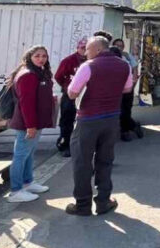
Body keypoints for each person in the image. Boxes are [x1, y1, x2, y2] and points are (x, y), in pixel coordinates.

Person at [66, 36, 133, 216]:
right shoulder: (124, 65)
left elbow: (72, 93)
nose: (86, 53)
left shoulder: (88, 66)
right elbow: (127, 89)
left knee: (82, 162)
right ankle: (103, 202)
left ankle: (82, 204)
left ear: (96, 49)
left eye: (87, 49)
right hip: (111, 119)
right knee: (105, 160)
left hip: (88, 119)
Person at [6, 45, 56, 203]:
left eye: (44, 56)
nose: (41, 59)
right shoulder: (28, 75)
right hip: (27, 123)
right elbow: (26, 103)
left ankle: (27, 182)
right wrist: (30, 126)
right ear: (30, 57)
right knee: (20, 155)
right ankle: (15, 191)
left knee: (29, 153)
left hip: (36, 122)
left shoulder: (39, 72)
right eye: (37, 56)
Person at [53, 37, 87, 158]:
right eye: (82, 48)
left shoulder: (92, 61)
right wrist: (67, 87)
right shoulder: (69, 60)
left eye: (87, 48)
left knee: (83, 121)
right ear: (78, 48)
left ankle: (80, 145)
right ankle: (65, 144)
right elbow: (58, 76)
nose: (85, 51)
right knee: (67, 119)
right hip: (70, 96)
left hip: (86, 96)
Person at [113, 38, 144, 141]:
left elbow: (135, 68)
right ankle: (133, 126)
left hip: (127, 89)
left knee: (125, 111)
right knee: (119, 111)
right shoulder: (110, 56)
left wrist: (134, 82)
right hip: (115, 90)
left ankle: (125, 131)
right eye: (116, 45)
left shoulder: (126, 56)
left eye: (121, 46)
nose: (119, 47)